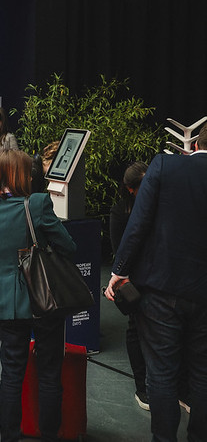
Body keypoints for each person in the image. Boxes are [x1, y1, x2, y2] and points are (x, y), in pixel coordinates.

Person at [106, 126, 207, 442]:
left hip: (161, 289)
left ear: (195, 144)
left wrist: (119, 271)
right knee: (203, 374)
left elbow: (139, 222)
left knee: (161, 373)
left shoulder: (164, 165)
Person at [0, 149, 76, 442]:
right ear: (21, 175)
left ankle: (10, 436)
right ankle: (49, 435)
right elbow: (68, 246)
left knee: (11, 375)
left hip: (8, 301)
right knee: (49, 374)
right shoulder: (39, 204)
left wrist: (9, 270)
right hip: (45, 299)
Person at [108, 161, 149, 410]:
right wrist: (123, 277)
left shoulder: (157, 204)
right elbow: (119, 250)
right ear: (130, 189)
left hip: (153, 276)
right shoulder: (121, 211)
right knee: (135, 329)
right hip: (134, 279)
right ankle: (142, 387)